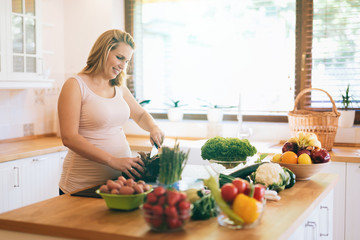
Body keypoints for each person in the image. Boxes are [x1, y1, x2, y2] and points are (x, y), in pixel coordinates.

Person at [57, 29, 164, 194]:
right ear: (103, 52)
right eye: (119, 57)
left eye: (127, 61)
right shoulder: (75, 85)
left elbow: (140, 115)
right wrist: (113, 161)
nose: (123, 65)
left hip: (119, 183)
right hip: (82, 185)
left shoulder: (118, 86)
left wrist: (153, 127)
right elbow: (69, 138)